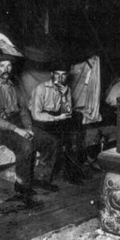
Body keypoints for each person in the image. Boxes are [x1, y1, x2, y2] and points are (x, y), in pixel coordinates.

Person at [0, 54, 59, 197]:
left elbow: (23, 111)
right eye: (2, 66)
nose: (6, 69)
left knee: (50, 141)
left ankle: (40, 178)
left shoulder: (14, 88)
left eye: (9, 65)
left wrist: (28, 127)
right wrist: (17, 130)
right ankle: (22, 184)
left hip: (18, 125)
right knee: (26, 146)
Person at [29, 59, 82, 188]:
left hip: (54, 119)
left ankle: (71, 174)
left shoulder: (66, 89)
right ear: (52, 74)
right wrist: (58, 118)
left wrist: (64, 97)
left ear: (67, 76)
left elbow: (68, 112)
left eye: (63, 75)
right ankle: (42, 179)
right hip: (38, 121)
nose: (59, 78)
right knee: (54, 141)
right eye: (57, 74)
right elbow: (36, 115)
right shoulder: (41, 88)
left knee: (73, 136)